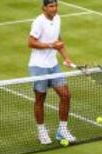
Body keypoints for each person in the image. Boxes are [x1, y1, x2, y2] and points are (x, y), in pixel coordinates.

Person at [28, 0, 76, 144]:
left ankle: (62, 130)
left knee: (66, 95)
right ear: (44, 8)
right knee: (40, 99)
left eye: (55, 6)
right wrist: (50, 45)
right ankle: (42, 131)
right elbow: (30, 42)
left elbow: (58, 40)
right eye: (51, 6)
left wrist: (66, 58)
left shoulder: (58, 19)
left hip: (54, 65)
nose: (54, 9)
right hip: (38, 67)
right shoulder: (38, 22)